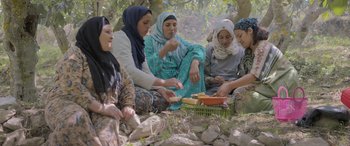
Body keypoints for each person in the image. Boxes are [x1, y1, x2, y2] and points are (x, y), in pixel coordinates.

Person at [44, 16, 135, 146]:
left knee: (107, 138)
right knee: (76, 120)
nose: (112, 36)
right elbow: (71, 87)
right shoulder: (75, 55)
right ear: (94, 34)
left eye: (112, 32)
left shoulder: (112, 61)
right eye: (107, 32)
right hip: (66, 102)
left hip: (102, 107)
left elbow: (127, 83)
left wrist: (128, 105)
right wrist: (101, 108)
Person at [216, 18, 299, 114]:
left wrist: (229, 86)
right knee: (239, 92)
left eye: (240, 36)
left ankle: (286, 107)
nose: (238, 40)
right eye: (236, 37)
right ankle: (281, 105)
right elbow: (245, 77)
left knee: (241, 95)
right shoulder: (249, 51)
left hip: (282, 83)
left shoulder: (263, 47)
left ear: (250, 31)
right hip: (268, 85)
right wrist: (226, 85)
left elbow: (253, 76)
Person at [112, 6, 183, 115]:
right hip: (119, 85)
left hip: (134, 85)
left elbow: (146, 70)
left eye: (150, 23)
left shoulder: (138, 42)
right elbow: (129, 71)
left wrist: (161, 89)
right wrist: (164, 82)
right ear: (133, 22)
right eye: (145, 23)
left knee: (164, 100)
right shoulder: (119, 38)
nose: (148, 27)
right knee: (145, 100)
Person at [144, 12, 206, 110]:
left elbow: (198, 48)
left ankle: (191, 98)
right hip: (161, 83)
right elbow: (149, 68)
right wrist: (165, 49)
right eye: (168, 25)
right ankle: (178, 99)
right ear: (160, 26)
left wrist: (194, 64)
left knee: (195, 57)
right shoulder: (149, 41)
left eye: (174, 24)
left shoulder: (178, 40)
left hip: (178, 80)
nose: (172, 28)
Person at [205, 19, 244, 95]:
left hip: (233, 89)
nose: (224, 41)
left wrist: (230, 83)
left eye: (227, 37)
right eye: (221, 37)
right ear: (217, 37)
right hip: (213, 89)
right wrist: (213, 80)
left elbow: (243, 76)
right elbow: (203, 75)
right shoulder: (210, 50)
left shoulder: (240, 51)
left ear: (232, 36)